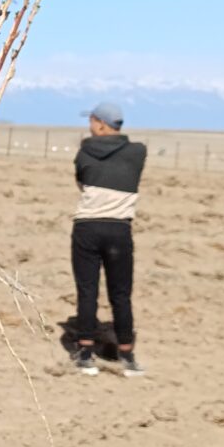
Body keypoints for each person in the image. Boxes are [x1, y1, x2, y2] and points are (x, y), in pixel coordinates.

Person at [70, 99, 147, 375]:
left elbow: (81, 181)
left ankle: (86, 352)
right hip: (119, 228)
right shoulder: (138, 152)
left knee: (87, 290)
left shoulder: (84, 152)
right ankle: (127, 354)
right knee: (121, 293)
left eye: (91, 121)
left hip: (87, 227)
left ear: (100, 124)